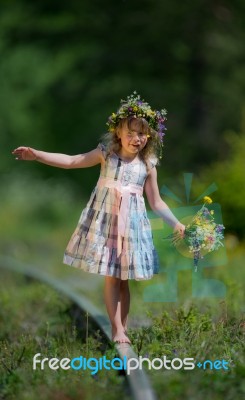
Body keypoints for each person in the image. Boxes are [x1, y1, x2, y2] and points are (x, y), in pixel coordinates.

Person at [12, 92, 185, 344]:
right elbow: (72, 161)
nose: (136, 139)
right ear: (118, 132)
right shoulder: (107, 154)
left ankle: (122, 328)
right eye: (130, 132)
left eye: (141, 134)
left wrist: (176, 223)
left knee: (125, 280)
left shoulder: (148, 165)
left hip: (132, 227)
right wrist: (37, 154)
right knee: (112, 277)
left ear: (149, 137)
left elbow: (156, 202)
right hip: (106, 223)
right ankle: (117, 329)